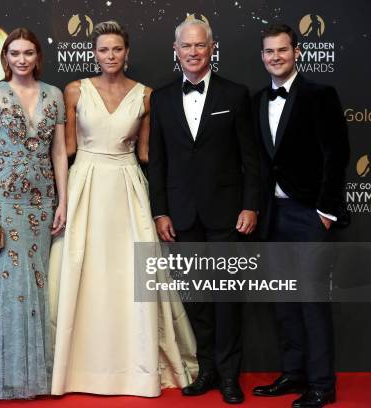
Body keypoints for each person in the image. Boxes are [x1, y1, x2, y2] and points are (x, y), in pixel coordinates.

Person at [48, 20, 197, 397]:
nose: (110, 56)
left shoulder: (147, 95)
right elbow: (64, 150)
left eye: (117, 49)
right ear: (94, 54)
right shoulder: (75, 90)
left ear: (127, 53)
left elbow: (147, 153)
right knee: (85, 272)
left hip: (128, 185)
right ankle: (74, 370)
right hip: (85, 185)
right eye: (103, 50)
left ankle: (137, 368)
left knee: (129, 274)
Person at [149, 19, 261, 404]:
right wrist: (160, 212)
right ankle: (207, 370)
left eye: (200, 46)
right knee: (197, 300)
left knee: (226, 301)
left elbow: (251, 158)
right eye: (186, 46)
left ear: (212, 48)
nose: (193, 53)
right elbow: (158, 162)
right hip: (182, 215)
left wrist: (250, 204)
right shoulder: (161, 98)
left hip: (228, 214)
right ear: (176, 50)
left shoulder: (235, 94)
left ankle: (230, 377)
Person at [0, 27, 67, 402]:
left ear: (38, 57)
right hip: (4, 199)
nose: (21, 59)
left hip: (42, 202)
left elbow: (58, 153)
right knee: (10, 286)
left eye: (28, 53)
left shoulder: (54, 95)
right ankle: (6, 374)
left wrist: (64, 202)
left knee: (38, 283)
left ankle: (35, 374)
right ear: (5, 57)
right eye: (15, 53)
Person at [251, 23, 349, 408]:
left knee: (311, 301)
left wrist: (324, 212)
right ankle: (294, 374)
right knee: (284, 302)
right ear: (262, 56)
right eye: (269, 52)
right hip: (273, 214)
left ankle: (323, 384)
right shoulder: (259, 99)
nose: (276, 57)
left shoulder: (320, 95)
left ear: (297, 52)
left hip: (309, 214)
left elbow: (336, 156)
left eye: (282, 50)